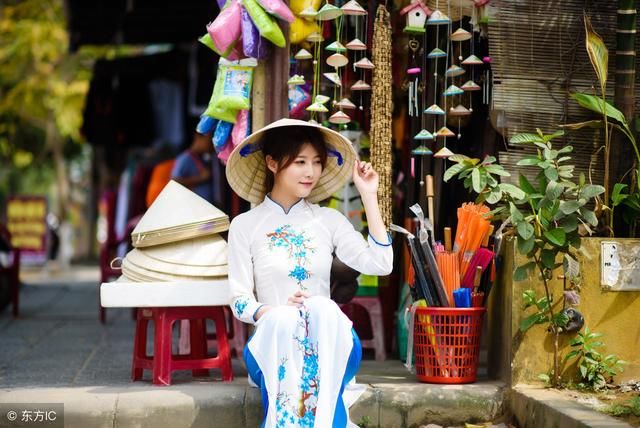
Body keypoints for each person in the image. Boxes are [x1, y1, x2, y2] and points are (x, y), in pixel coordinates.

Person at [225, 118, 393, 428]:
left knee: (320, 307)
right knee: (288, 320)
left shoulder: (329, 221)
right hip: (272, 346)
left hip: (329, 341)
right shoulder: (245, 226)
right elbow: (238, 299)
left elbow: (381, 264)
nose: (310, 172)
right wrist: (273, 313)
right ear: (272, 163)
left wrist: (370, 196)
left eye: (316, 162)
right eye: (300, 162)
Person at [170, 132, 215, 202]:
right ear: (198, 137)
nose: (213, 143)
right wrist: (200, 178)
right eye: (210, 139)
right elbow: (174, 181)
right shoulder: (185, 158)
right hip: (195, 206)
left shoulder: (204, 158)